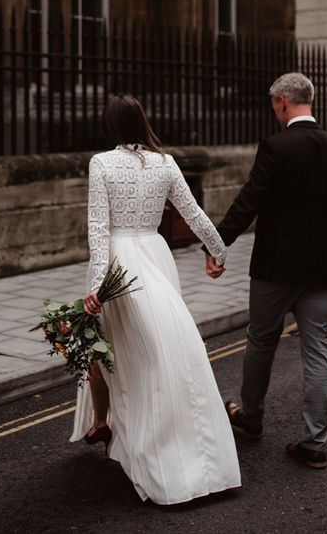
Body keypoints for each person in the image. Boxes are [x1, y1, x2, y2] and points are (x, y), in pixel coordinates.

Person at [69, 94, 241, 505]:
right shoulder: (165, 162)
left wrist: (94, 286)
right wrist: (218, 250)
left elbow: (97, 227)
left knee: (125, 355)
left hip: (118, 263)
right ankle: (134, 433)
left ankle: (136, 442)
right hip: (154, 256)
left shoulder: (101, 163)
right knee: (156, 350)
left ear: (110, 127)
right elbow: (194, 213)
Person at [207, 72, 327, 470]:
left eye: (274, 103)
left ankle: (251, 417)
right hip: (320, 267)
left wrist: (216, 244)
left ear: (282, 101)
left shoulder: (276, 146)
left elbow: (249, 201)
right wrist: (326, 253)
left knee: (261, 341)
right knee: (318, 349)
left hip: (275, 268)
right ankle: (314, 443)